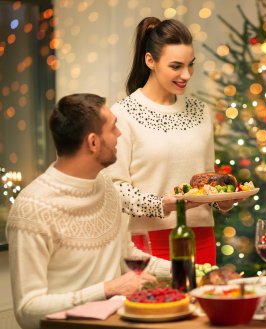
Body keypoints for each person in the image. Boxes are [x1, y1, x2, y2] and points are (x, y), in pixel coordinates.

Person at [6, 94, 171, 329]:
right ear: (93, 142)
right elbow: (27, 311)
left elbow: (128, 257)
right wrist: (107, 289)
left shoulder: (106, 186)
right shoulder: (32, 208)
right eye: (113, 128)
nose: (119, 135)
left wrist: (193, 270)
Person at [105, 17, 239, 265]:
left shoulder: (201, 111)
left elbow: (207, 179)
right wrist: (161, 205)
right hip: (148, 244)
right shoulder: (123, 114)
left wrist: (225, 201)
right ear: (150, 61)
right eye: (176, 66)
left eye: (190, 65)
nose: (186, 75)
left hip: (202, 239)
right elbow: (115, 189)